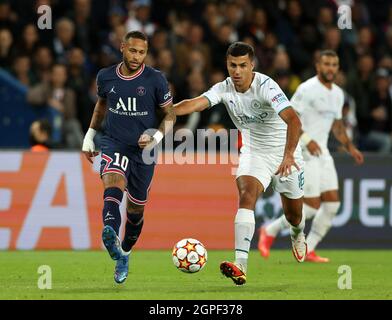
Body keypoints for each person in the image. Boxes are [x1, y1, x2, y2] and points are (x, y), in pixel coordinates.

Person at [174, 42, 307, 286]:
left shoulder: (267, 86)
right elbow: (195, 103)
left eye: (242, 66)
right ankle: (241, 265)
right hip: (254, 152)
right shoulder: (224, 88)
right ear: (227, 65)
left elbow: (294, 121)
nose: (237, 71)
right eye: (232, 65)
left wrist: (288, 155)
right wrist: (168, 110)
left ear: (252, 66)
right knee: (246, 196)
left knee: (294, 215)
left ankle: (298, 234)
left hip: (286, 153)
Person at [81, 31, 176, 284]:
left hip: (144, 152)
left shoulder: (155, 79)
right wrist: (90, 135)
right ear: (122, 48)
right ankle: (109, 229)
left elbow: (170, 115)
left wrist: (155, 137)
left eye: (141, 52)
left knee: (135, 211)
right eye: (132, 51)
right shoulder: (106, 76)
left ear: (146, 53)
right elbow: (101, 105)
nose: (136, 56)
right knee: (113, 181)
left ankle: (124, 252)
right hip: (114, 143)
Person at [258, 50, 364, 263]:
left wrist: (350, 147)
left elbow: (337, 125)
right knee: (312, 206)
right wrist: (307, 140)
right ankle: (269, 230)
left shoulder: (338, 94)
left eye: (334, 64)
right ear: (318, 66)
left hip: (322, 152)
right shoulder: (306, 89)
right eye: (326, 64)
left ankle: (309, 249)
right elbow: (289, 119)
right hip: (304, 151)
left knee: (333, 204)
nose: (330, 68)